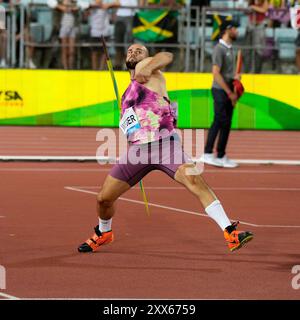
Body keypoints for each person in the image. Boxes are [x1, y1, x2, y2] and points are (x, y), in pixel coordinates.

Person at [77, 43, 253, 253]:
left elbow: (166, 55)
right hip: (138, 152)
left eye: (140, 50)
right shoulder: (127, 93)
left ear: (148, 57)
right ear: (125, 59)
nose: (134, 52)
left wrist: (147, 65)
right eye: (130, 51)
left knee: (194, 180)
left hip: (166, 146)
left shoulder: (153, 73)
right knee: (103, 199)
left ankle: (230, 233)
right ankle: (104, 232)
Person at [201, 20, 240, 168]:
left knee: (226, 123)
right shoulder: (219, 49)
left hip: (228, 90)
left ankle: (221, 155)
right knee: (219, 121)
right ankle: (207, 153)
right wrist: (229, 92)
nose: (237, 31)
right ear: (227, 30)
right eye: (235, 28)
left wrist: (235, 78)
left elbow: (227, 72)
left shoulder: (230, 48)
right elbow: (216, 74)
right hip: (220, 90)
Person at [88, 0, 120, 70]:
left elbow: (117, 3)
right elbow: (87, 6)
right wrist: (98, 5)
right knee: (94, 52)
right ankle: (94, 70)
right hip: (95, 31)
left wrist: (108, 5)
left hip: (105, 31)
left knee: (104, 52)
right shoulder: (92, 3)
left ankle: (101, 69)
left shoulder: (106, 2)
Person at [243, 0, 268, 73]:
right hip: (250, 26)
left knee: (258, 51)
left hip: (259, 27)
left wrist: (253, 7)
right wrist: (251, 7)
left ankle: (257, 72)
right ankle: (247, 71)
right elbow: (246, 11)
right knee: (247, 50)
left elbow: (264, 10)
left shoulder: (264, 1)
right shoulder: (251, 1)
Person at [57, 0, 79, 69]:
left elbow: (76, 8)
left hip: (72, 27)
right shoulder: (61, 2)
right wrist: (66, 6)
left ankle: (71, 67)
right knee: (64, 49)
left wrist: (69, 6)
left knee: (71, 50)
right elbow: (61, 8)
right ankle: (65, 67)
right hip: (64, 26)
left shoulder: (75, 2)